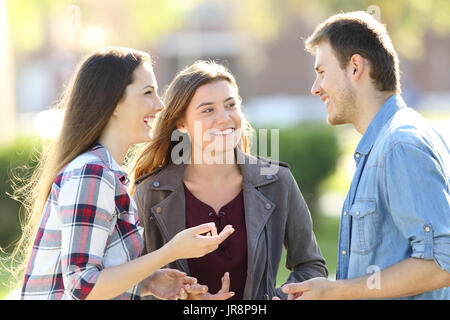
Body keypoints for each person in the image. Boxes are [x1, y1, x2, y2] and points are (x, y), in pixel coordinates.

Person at [16, 47, 234, 300]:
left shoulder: (105, 173)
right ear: (114, 102)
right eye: (148, 93)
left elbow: (92, 279)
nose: (160, 104)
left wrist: (148, 284)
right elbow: (82, 286)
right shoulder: (92, 174)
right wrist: (170, 252)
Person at [276, 11, 450, 300]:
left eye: (321, 72)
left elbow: (442, 262)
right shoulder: (385, 143)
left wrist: (337, 291)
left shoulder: (400, 145)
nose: (315, 88)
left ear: (355, 67)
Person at [130, 60, 328, 300]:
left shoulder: (277, 182)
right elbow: (132, 282)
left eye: (230, 105)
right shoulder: (151, 193)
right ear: (181, 123)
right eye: (207, 110)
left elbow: (311, 265)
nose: (224, 118)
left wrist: (280, 298)